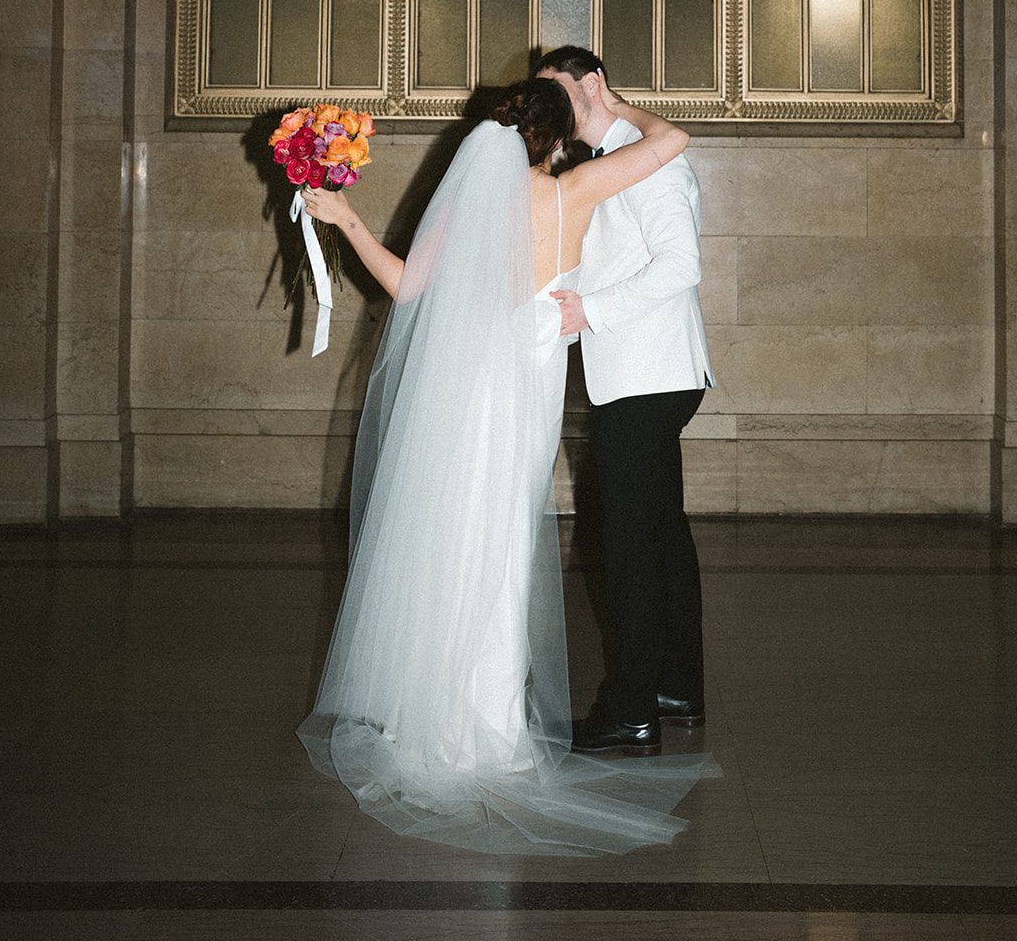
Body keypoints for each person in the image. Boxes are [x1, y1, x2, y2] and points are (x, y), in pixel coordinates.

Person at [294, 76, 715, 854]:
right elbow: (675, 142)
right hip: (520, 397)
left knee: (451, 544)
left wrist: (345, 216)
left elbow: (404, 286)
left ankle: (435, 721)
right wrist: (617, 106)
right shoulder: (573, 191)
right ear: (556, 139)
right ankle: (488, 726)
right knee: (502, 549)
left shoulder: (464, 203)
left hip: (457, 394)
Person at [535, 48, 713, 758]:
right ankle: (676, 685)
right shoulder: (616, 156)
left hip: (648, 376)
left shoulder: (646, 156)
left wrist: (592, 312)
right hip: (645, 375)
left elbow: (682, 264)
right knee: (662, 538)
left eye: (561, 96)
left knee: (630, 548)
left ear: (595, 85)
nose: (553, 113)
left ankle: (631, 709)